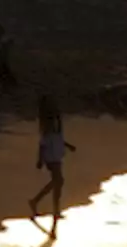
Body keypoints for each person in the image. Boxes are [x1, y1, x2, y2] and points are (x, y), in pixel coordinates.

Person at [28, 96, 76, 236]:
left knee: (57, 182)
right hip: (51, 156)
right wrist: (40, 160)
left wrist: (68, 146)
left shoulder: (54, 122)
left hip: (56, 154)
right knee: (58, 181)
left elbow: (57, 138)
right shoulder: (48, 124)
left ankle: (37, 202)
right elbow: (44, 144)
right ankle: (53, 209)